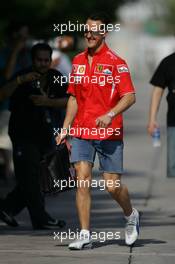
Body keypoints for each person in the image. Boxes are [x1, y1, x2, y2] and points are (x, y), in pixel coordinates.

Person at [56, 13, 140, 249]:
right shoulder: (77, 61)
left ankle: (130, 214)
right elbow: (73, 97)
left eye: (94, 31)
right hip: (82, 131)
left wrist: (110, 114)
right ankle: (85, 234)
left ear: (104, 33)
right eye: (86, 31)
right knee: (82, 181)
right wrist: (65, 128)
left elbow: (130, 96)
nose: (89, 35)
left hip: (109, 132)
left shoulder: (117, 62)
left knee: (112, 185)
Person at [0, 43, 67, 229]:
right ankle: (41, 219)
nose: (43, 64)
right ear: (33, 59)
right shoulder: (22, 76)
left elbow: (72, 100)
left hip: (45, 134)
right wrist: (21, 80)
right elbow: (2, 94)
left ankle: (6, 207)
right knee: (29, 176)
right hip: (22, 134)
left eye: (47, 60)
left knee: (38, 177)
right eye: (39, 60)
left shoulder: (56, 77)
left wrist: (48, 102)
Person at [148, 52, 175, 177]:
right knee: (173, 166)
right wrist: (152, 119)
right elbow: (157, 91)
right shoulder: (168, 62)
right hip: (173, 123)